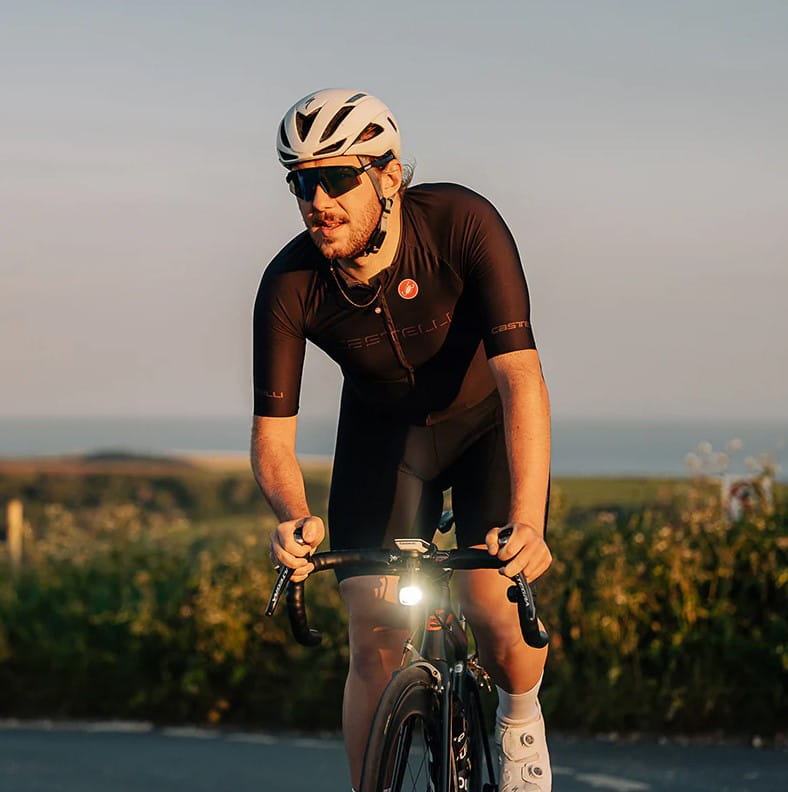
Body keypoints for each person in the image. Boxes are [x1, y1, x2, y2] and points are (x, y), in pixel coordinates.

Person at [252, 88, 553, 792]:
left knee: (490, 605)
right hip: (386, 441)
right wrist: (292, 516)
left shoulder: (462, 223)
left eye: (337, 177)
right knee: (375, 632)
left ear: (388, 175)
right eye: (301, 182)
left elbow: (521, 380)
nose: (318, 200)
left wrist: (529, 522)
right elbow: (272, 440)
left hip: (483, 428)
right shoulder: (290, 284)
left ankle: (519, 721)